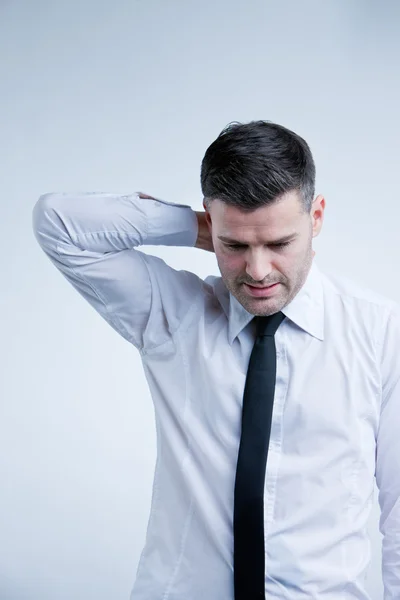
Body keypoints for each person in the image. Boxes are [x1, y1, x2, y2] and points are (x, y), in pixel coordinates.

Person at [32, 120, 400, 600]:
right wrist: (194, 227)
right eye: (236, 245)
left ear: (317, 217)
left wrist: (229, 232)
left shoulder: (380, 334)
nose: (258, 270)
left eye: (279, 243)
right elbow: (57, 223)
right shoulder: (173, 314)